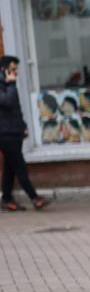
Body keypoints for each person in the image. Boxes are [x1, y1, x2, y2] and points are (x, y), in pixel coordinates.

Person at [0, 56, 47, 211]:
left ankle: (6, 199)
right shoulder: (5, 85)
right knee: (20, 166)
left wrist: (23, 126)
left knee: (10, 168)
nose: (16, 72)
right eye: (13, 69)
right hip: (5, 134)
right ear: (4, 69)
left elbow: (14, 110)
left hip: (13, 131)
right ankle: (35, 198)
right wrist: (11, 83)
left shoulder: (7, 85)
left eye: (16, 69)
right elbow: (8, 102)